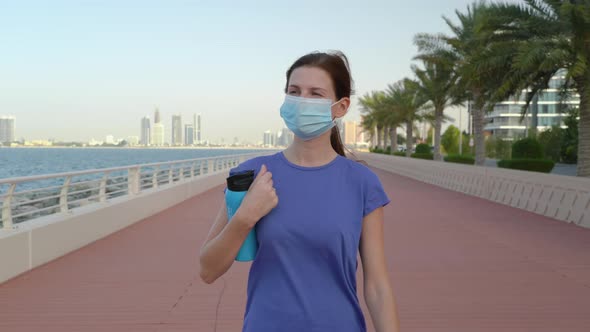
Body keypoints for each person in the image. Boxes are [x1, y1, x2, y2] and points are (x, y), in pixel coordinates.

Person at [199, 51, 400, 332]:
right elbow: (208, 270)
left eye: (315, 94)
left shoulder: (362, 183)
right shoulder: (251, 175)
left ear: (340, 107)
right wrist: (246, 216)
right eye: (294, 92)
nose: (302, 101)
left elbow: (377, 286)